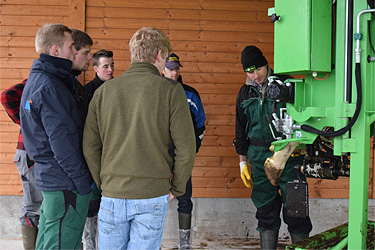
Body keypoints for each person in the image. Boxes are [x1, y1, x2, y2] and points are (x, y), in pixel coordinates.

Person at [83, 27, 196, 250]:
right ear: (159, 55)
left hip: (112, 193)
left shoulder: (104, 92)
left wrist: (104, 182)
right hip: (152, 195)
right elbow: (186, 148)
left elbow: (90, 146)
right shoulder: (171, 91)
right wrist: (177, 188)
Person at [19, 23, 93, 250]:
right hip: (65, 184)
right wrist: (83, 183)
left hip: (55, 180)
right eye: (71, 46)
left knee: (53, 241)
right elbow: (63, 144)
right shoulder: (50, 87)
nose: (74, 50)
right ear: (55, 49)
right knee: (59, 244)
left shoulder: (44, 80)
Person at [234, 45, 312, 249]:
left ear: (266, 64)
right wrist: (243, 163)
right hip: (259, 159)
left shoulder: (286, 85)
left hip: (290, 156)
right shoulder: (244, 94)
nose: (255, 75)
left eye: (258, 69)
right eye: (249, 71)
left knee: (297, 211)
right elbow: (240, 131)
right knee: (265, 212)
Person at [162, 53, 206, 250]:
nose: (174, 72)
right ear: (162, 69)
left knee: (185, 197)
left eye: (176, 68)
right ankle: (153, 242)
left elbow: (200, 124)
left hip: (181, 158)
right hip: (158, 158)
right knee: (154, 200)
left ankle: (185, 245)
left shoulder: (190, 94)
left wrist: (192, 150)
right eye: (170, 68)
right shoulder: (155, 92)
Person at [1, 79, 43, 250]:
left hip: (38, 153)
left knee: (40, 206)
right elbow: (6, 96)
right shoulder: (35, 81)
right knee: (32, 207)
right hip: (28, 153)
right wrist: (25, 122)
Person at [71, 29, 100, 250]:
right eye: (88, 53)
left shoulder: (75, 85)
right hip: (67, 171)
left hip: (82, 165)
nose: (91, 58)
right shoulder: (52, 82)